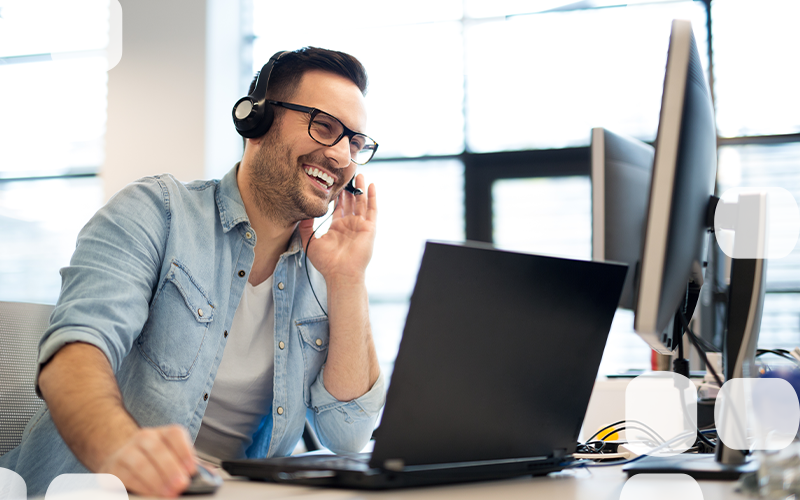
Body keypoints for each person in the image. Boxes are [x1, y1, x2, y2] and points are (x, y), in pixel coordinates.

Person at [0, 47, 385, 498]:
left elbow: (348, 434)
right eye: (324, 126)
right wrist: (119, 447)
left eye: (356, 143)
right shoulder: (156, 213)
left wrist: (348, 279)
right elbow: (76, 352)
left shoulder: (325, 271)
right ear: (256, 120)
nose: (342, 155)